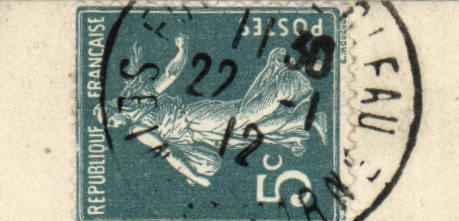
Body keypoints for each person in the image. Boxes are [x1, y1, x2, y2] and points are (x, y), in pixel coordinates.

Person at [107, 36, 322, 187]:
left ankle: (286, 82)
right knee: (248, 130)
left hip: (195, 117)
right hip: (198, 136)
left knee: (244, 116)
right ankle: (307, 119)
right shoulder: (137, 128)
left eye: (110, 121)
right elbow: (170, 154)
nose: (114, 126)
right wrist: (194, 175)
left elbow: (170, 74)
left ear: (112, 109)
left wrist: (182, 51)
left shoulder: (143, 97)